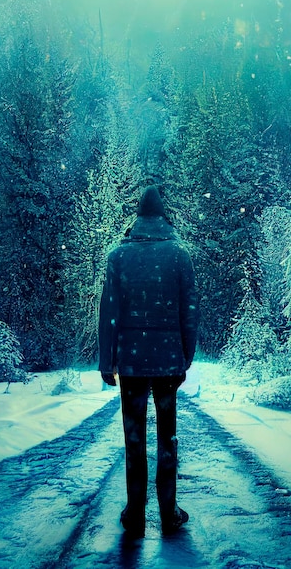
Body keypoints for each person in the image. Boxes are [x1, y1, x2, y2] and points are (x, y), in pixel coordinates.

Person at [98, 185, 199, 538]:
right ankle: (168, 512)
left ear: (138, 217)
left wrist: (105, 362)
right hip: (169, 362)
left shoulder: (118, 257)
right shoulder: (178, 255)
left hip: (131, 363)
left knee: (134, 438)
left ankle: (136, 514)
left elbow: (108, 312)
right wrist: (186, 355)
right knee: (167, 437)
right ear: (163, 216)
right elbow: (190, 311)